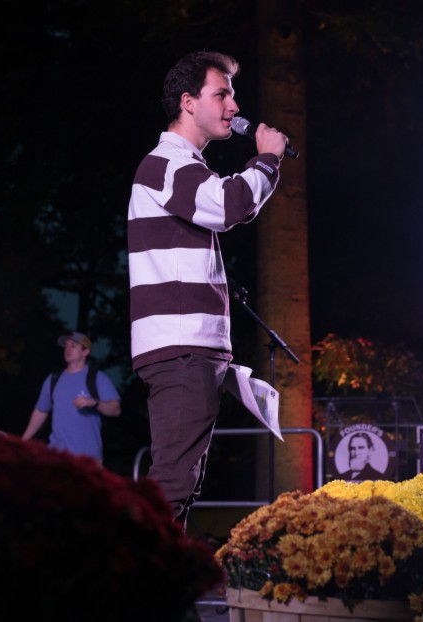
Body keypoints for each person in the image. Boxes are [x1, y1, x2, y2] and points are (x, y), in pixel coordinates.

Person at [128, 50, 288, 525]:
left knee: (183, 481)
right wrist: (267, 159)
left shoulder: (186, 167)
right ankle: (133, 584)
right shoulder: (164, 164)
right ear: (188, 102)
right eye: (222, 94)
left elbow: (228, 205)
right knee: (173, 482)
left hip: (192, 349)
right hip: (181, 349)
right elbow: (226, 205)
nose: (234, 106)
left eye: (233, 95)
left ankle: (157, 584)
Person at [21, 331, 121, 463]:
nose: (68, 349)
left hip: (88, 459)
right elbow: (41, 411)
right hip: (56, 456)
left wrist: (95, 403)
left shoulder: (97, 378)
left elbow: (116, 410)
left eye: (73, 345)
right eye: (66, 346)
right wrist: (22, 441)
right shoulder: (53, 379)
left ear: (85, 352)